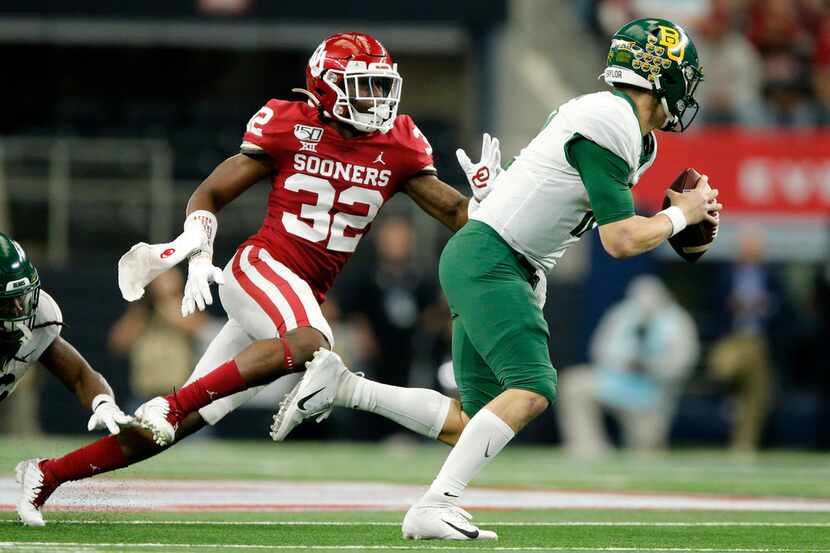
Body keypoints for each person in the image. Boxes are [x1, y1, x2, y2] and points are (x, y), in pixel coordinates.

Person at [16, 31, 501, 526]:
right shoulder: (289, 123)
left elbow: (458, 212)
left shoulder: (396, 145)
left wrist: (487, 201)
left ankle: (46, 474)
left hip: (296, 298)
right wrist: (200, 246)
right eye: (363, 86)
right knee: (312, 342)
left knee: (180, 426)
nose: (376, 100)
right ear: (329, 85)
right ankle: (169, 402)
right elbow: (208, 194)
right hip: (262, 268)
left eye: (381, 86)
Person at [280, 17, 720, 541]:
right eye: (682, 75)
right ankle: (433, 505)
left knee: (471, 419)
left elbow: (560, 194)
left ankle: (347, 387)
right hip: (495, 257)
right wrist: (682, 216)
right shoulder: (612, 119)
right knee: (533, 388)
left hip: (500, 257)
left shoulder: (630, 134)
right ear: (661, 73)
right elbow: (619, 240)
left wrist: (499, 191)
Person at [0, 234, 131, 526]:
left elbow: (80, 375)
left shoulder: (39, 321)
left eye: (22, 299)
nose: (22, 312)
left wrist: (103, 403)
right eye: (10, 305)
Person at [558, 276, 699, 456]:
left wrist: (652, 368)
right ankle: (587, 449)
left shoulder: (678, 321)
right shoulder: (622, 314)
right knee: (574, 384)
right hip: (613, 384)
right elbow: (599, 351)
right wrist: (624, 363)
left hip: (652, 395)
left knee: (646, 450)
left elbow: (682, 364)